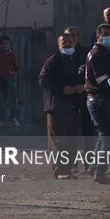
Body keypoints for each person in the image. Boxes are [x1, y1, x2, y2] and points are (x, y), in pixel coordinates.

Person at [38, 33, 83, 179]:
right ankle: (60, 170)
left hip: (74, 105)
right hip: (56, 105)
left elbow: (87, 76)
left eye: (70, 41)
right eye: (64, 42)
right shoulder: (53, 61)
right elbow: (43, 80)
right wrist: (62, 88)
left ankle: (69, 169)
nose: (67, 44)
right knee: (58, 139)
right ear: (59, 45)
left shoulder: (79, 60)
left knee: (71, 138)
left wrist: (81, 86)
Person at [85, 24, 110, 184]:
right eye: (106, 34)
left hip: (97, 99)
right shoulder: (98, 54)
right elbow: (101, 79)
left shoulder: (100, 52)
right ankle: (100, 171)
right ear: (98, 37)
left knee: (101, 135)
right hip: (98, 100)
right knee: (107, 138)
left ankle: (93, 167)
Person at [64, 26, 95, 173]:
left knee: (88, 132)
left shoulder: (86, 53)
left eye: (74, 36)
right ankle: (72, 163)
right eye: (68, 36)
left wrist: (83, 85)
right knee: (70, 133)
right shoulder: (60, 55)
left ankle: (89, 163)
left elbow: (92, 73)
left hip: (84, 97)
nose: (71, 39)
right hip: (68, 99)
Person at [0, 35, 20, 128]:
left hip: (10, 80)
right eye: (3, 43)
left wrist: (15, 72)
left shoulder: (12, 55)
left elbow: (17, 68)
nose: (5, 45)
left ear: (10, 44)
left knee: (13, 100)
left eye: (7, 43)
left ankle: (14, 118)